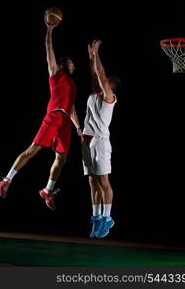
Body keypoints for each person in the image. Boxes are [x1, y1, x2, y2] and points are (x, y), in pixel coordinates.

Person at [0, 12, 82, 211]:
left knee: (62, 159)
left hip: (66, 121)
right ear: (63, 64)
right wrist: (49, 30)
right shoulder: (56, 73)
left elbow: (72, 108)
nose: (74, 65)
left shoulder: (73, 85)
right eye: (72, 63)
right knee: (33, 149)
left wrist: (78, 127)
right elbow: (48, 48)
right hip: (53, 116)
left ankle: (47, 190)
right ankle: (6, 180)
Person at [82, 40, 121, 238]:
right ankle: (96, 218)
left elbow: (101, 75)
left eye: (105, 81)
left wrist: (97, 54)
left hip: (101, 142)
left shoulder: (109, 98)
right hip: (87, 141)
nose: (100, 81)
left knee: (104, 180)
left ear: (111, 86)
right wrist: (91, 58)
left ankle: (107, 217)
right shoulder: (94, 95)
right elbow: (93, 74)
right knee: (92, 181)